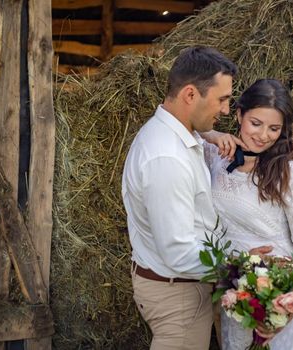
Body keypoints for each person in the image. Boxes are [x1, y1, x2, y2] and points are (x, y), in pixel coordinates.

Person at [121, 46, 238, 350]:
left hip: (182, 287)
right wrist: (242, 267)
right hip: (177, 298)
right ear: (190, 95)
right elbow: (179, 251)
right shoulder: (166, 158)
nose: (225, 110)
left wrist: (206, 135)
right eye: (221, 99)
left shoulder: (174, 135)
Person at [202, 79, 293, 349]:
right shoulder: (214, 158)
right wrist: (211, 135)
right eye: (255, 123)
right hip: (238, 289)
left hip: (282, 294)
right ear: (238, 114)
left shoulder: (290, 175)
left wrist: (288, 302)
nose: (263, 135)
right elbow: (180, 125)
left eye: (274, 128)